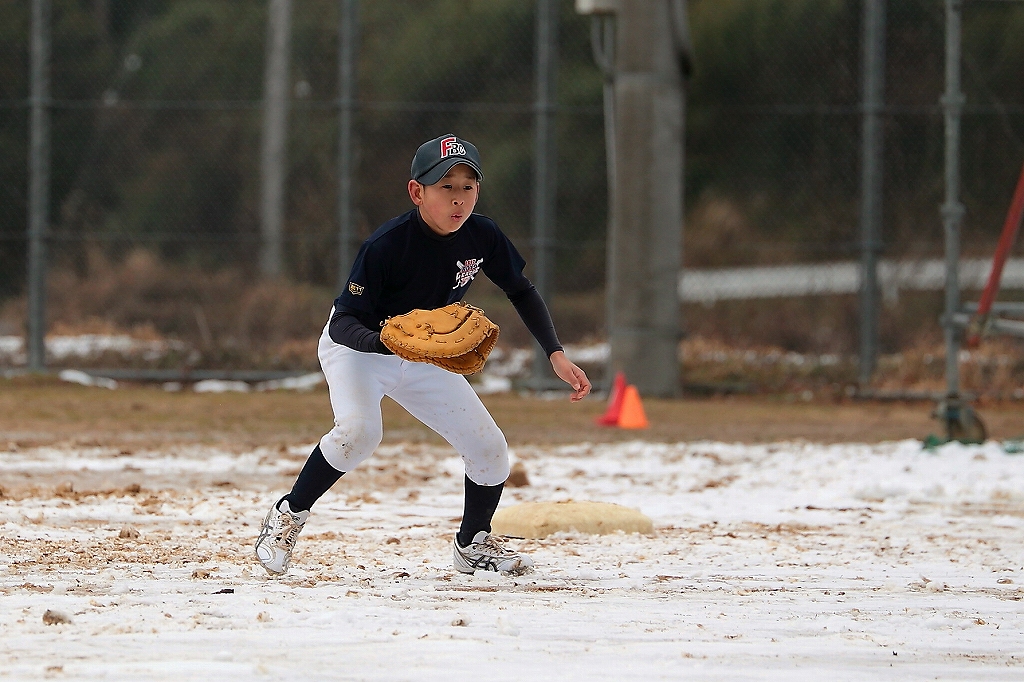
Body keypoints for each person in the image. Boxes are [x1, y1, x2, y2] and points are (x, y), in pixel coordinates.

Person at [255, 134, 591, 576]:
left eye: (468, 187)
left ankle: (472, 544)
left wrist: (556, 354)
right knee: (359, 433)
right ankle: (287, 515)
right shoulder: (387, 245)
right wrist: (384, 344)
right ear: (418, 192)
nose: (458, 199)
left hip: (422, 355)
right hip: (359, 350)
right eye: (445, 186)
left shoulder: (481, 235)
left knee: (490, 449)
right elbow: (343, 323)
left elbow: (520, 290)